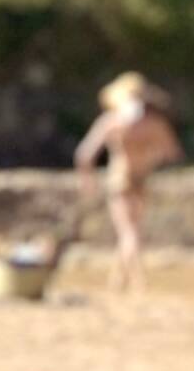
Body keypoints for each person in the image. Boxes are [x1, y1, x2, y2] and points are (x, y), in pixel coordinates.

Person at [70, 71, 176, 297]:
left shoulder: (112, 122)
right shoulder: (154, 124)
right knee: (131, 230)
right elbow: (170, 152)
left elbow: (84, 155)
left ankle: (138, 280)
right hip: (142, 177)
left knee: (128, 231)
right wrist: (150, 157)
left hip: (119, 177)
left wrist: (87, 181)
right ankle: (119, 279)